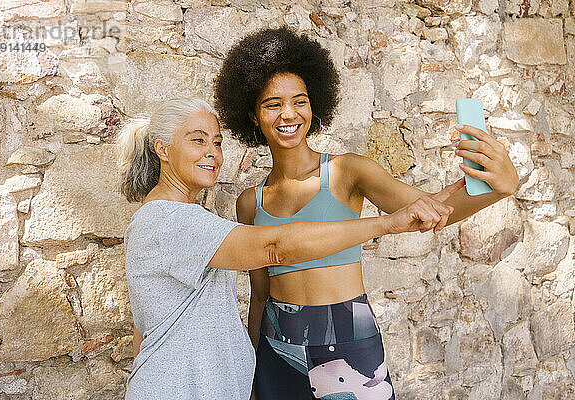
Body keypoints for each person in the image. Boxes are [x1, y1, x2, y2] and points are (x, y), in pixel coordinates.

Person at [214, 27, 519, 400]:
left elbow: (427, 211)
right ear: (252, 114)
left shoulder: (347, 172)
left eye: (300, 101)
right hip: (279, 347)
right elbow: (259, 295)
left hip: (349, 342)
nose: (288, 114)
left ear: (315, 105)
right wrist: (253, 369)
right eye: (272, 104)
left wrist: (500, 189)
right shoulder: (250, 202)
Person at [118, 98, 457, 399]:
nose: (212, 152)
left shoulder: (180, 218)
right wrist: (385, 224)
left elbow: (143, 326)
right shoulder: (170, 220)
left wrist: (477, 187)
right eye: (198, 140)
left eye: (217, 142)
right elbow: (276, 247)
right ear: (162, 149)